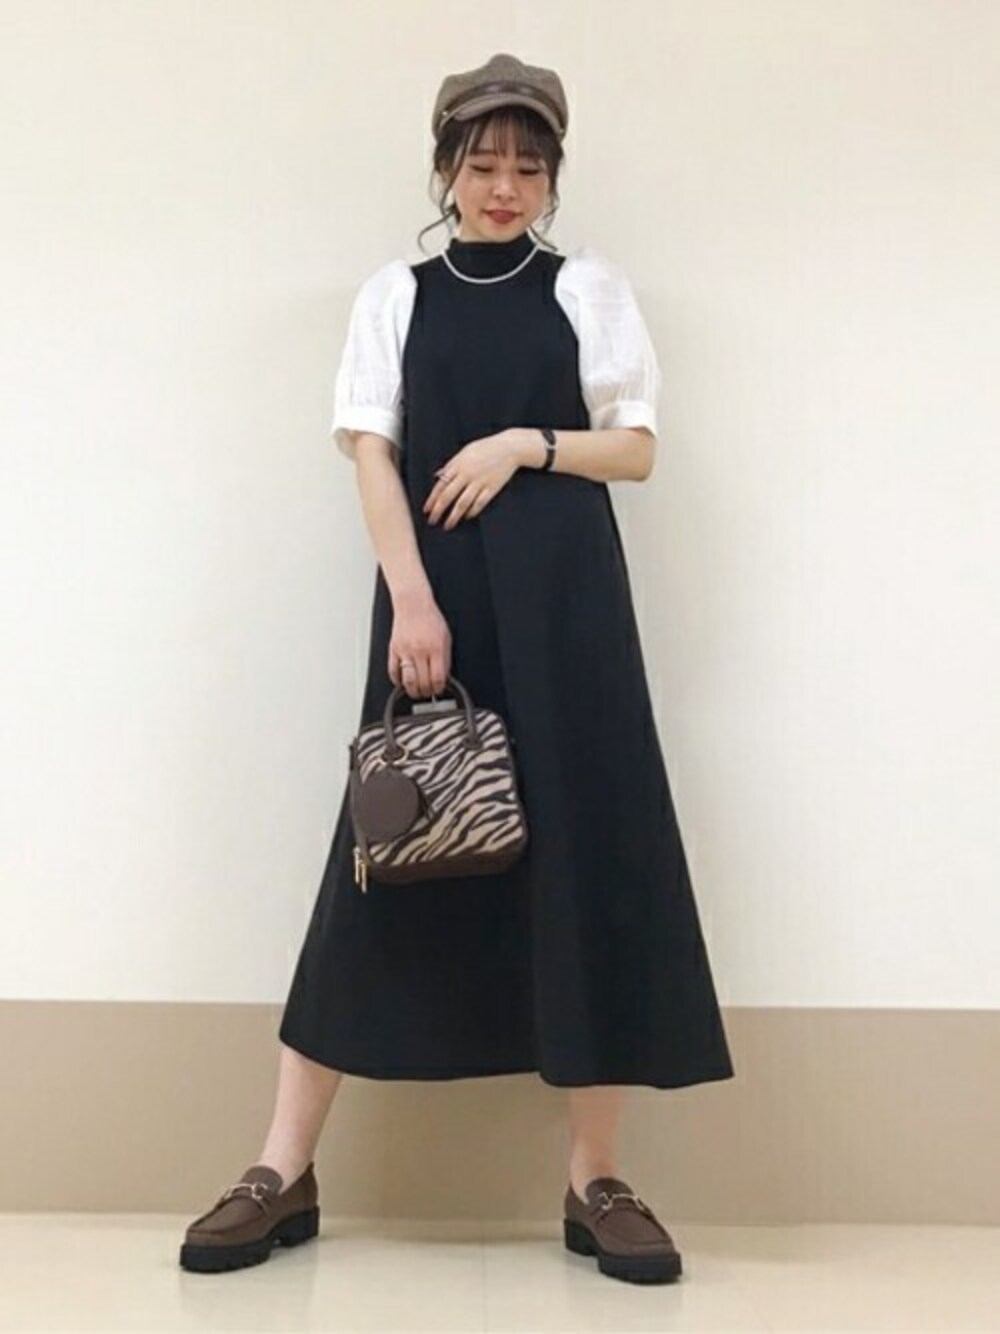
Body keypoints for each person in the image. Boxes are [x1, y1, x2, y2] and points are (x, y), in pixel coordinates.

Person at [180, 52, 734, 1286]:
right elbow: (372, 452)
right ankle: (280, 1166)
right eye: (482, 165)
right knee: (381, 855)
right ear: (444, 169)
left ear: (552, 176)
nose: (503, 187)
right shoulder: (398, 294)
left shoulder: (586, 287)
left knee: (587, 849)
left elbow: (634, 449)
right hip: (441, 605)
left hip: (571, 610)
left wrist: (523, 443)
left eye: (527, 167)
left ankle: (594, 1179)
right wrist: (412, 596)